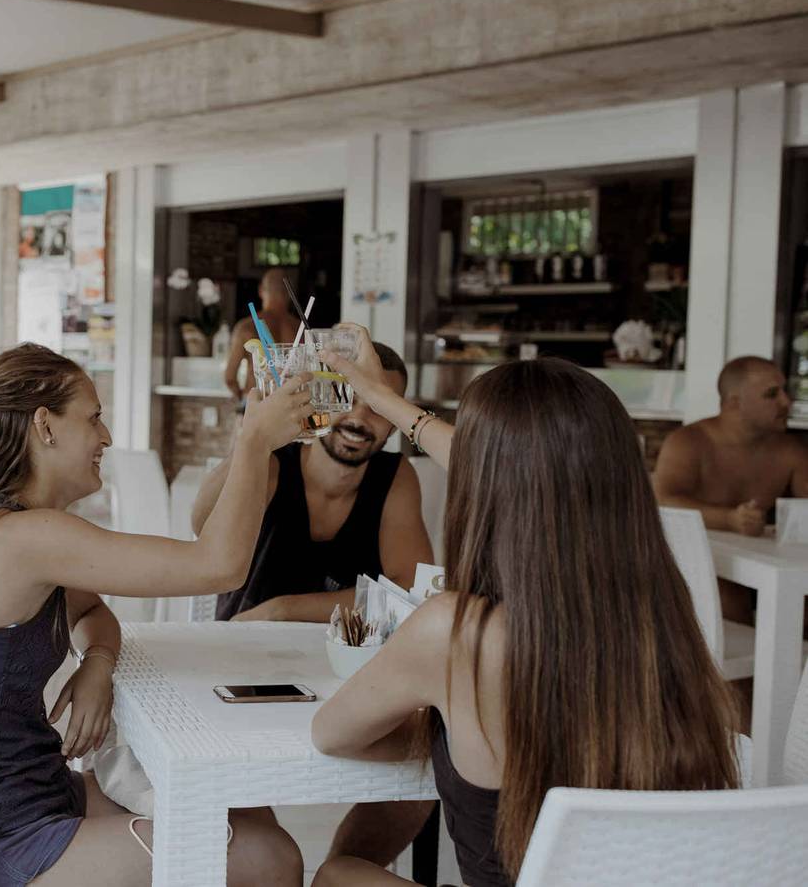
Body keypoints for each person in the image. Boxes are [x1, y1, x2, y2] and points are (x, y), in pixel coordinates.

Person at [311, 327, 741, 887]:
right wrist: (384, 398)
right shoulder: (659, 616)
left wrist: (439, 712)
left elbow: (334, 735)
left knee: (339, 875)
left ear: (485, 488)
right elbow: (521, 471)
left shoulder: (454, 633)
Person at [0, 343, 313, 887]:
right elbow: (219, 568)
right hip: (8, 842)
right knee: (272, 858)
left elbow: (90, 608)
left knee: (242, 807)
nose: (107, 437)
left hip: (34, 797)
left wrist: (96, 660)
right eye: (94, 417)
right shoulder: (25, 538)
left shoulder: (2, 525)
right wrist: (255, 442)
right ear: (45, 426)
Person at [192, 341, 433, 621]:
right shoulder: (272, 459)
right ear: (319, 398)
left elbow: (410, 589)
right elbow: (202, 526)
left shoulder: (395, 475)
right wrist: (251, 439)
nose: (358, 418)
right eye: (347, 397)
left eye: (379, 407)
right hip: (246, 644)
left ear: (394, 423)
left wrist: (283, 610)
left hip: (344, 657)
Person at [653, 356, 808, 631]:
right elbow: (662, 499)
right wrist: (729, 519)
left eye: (786, 391)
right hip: (690, 569)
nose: (786, 402)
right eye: (772, 394)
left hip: (759, 567)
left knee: (801, 600)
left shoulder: (791, 451)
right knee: (727, 597)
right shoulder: (687, 442)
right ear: (735, 403)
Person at [223, 269, 302, 401]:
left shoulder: (246, 327)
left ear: (261, 290)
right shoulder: (301, 328)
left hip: (259, 404)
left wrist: (244, 403)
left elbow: (230, 378)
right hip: (291, 404)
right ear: (289, 293)